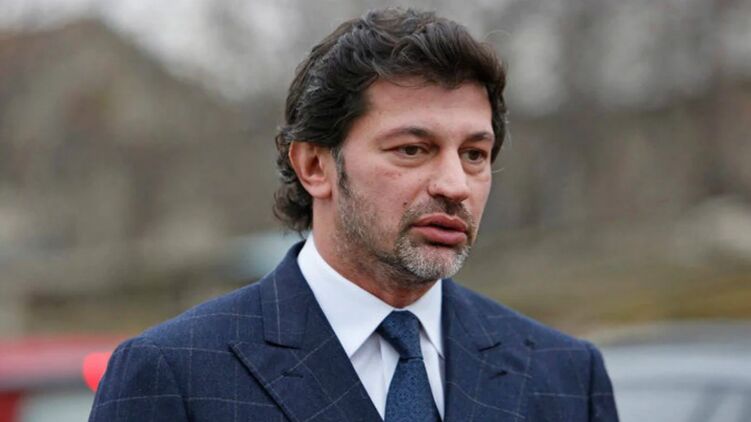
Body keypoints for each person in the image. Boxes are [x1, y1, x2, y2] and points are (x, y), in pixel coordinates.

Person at [90, 8, 618, 422]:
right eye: (412, 149)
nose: (455, 185)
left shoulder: (566, 376)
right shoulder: (175, 374)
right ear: (315, 165)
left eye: (474, 154)